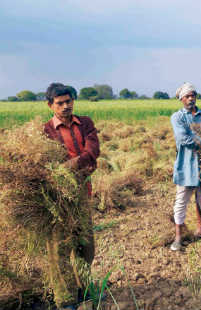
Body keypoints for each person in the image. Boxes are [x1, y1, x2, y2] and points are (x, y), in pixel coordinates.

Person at [44, 83, 100, 309]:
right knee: (59, 248)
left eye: (69, 101)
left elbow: (93, 151)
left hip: (82, 194)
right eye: (60, 103)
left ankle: (85, 290)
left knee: (85, 245)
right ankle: (65, 299)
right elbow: (45, 166)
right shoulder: (45, 131)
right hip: (57, 199)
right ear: (50, 105)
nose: (66, 106)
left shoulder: (85, 123)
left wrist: (69, 165)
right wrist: (68, 170)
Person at [170, 82, 201, 251]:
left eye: (193, 95)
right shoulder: (177, 118)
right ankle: (178, 236)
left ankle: (200, 231)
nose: (191, 98)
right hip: (186, 165)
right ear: (181, 99)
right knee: (181, 201)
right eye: (187, 96)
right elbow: (183, 139)